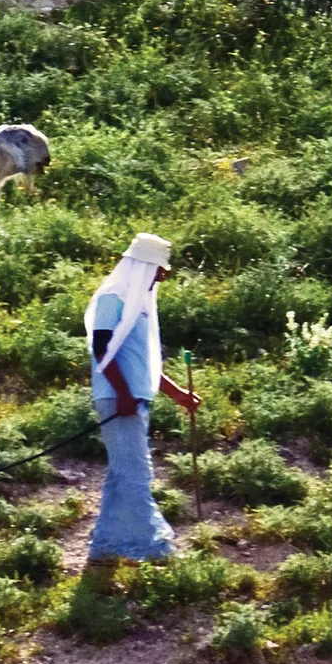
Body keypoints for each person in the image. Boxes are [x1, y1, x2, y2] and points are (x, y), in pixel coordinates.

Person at [85, 232, 201, 588]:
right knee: (137, 472)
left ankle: (104, 546)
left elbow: (142, 362)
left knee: (122, 474)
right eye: (158, 269)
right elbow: (102, 350)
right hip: (118, 399)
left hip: (133, 398)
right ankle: (154, 547)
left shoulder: (138, 303)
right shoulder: (112, 298)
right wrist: (121, 393)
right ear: (141, 266)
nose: (163, 276)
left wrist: (178, 394)